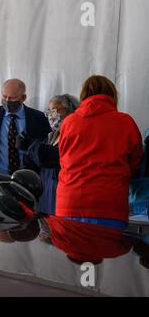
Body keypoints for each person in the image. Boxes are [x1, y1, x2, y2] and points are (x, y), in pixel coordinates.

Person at [56, 75, 143, 228]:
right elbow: (135, 162)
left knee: (74, 250)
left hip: (69, 202)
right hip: (109, 204)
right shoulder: (125, 122)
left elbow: (62, 157)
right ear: (112, 95)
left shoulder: (69, 122)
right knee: (106, 249)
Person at [0, 79, 51, 175]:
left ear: (23, 98)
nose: (7, 101)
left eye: (12, 98)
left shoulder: (38, 118)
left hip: (28, 178)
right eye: (4, 96)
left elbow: (45, 149)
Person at [18, 94, 79, 215]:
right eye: (50, 111)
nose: (52, 115)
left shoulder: (75, 134)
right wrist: (27, 156)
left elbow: (57, 157)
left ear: (71, 111)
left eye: (56, 110)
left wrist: (31, 146)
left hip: (62, 194)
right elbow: (39, 162)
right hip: (45, 195)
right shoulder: (50, 135)